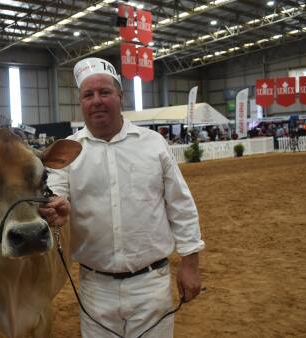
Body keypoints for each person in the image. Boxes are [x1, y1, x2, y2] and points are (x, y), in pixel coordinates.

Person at [39, 57, 205, 338]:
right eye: (88, 95)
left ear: (120, 96)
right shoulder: (67, 150)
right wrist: (57, 207)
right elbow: (54, 195)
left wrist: (190, 264)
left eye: (104, 92)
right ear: (80, 102)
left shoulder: (153, 144)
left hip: (151, 285)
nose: (97, 101)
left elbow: (181, 206)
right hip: (95, 289)